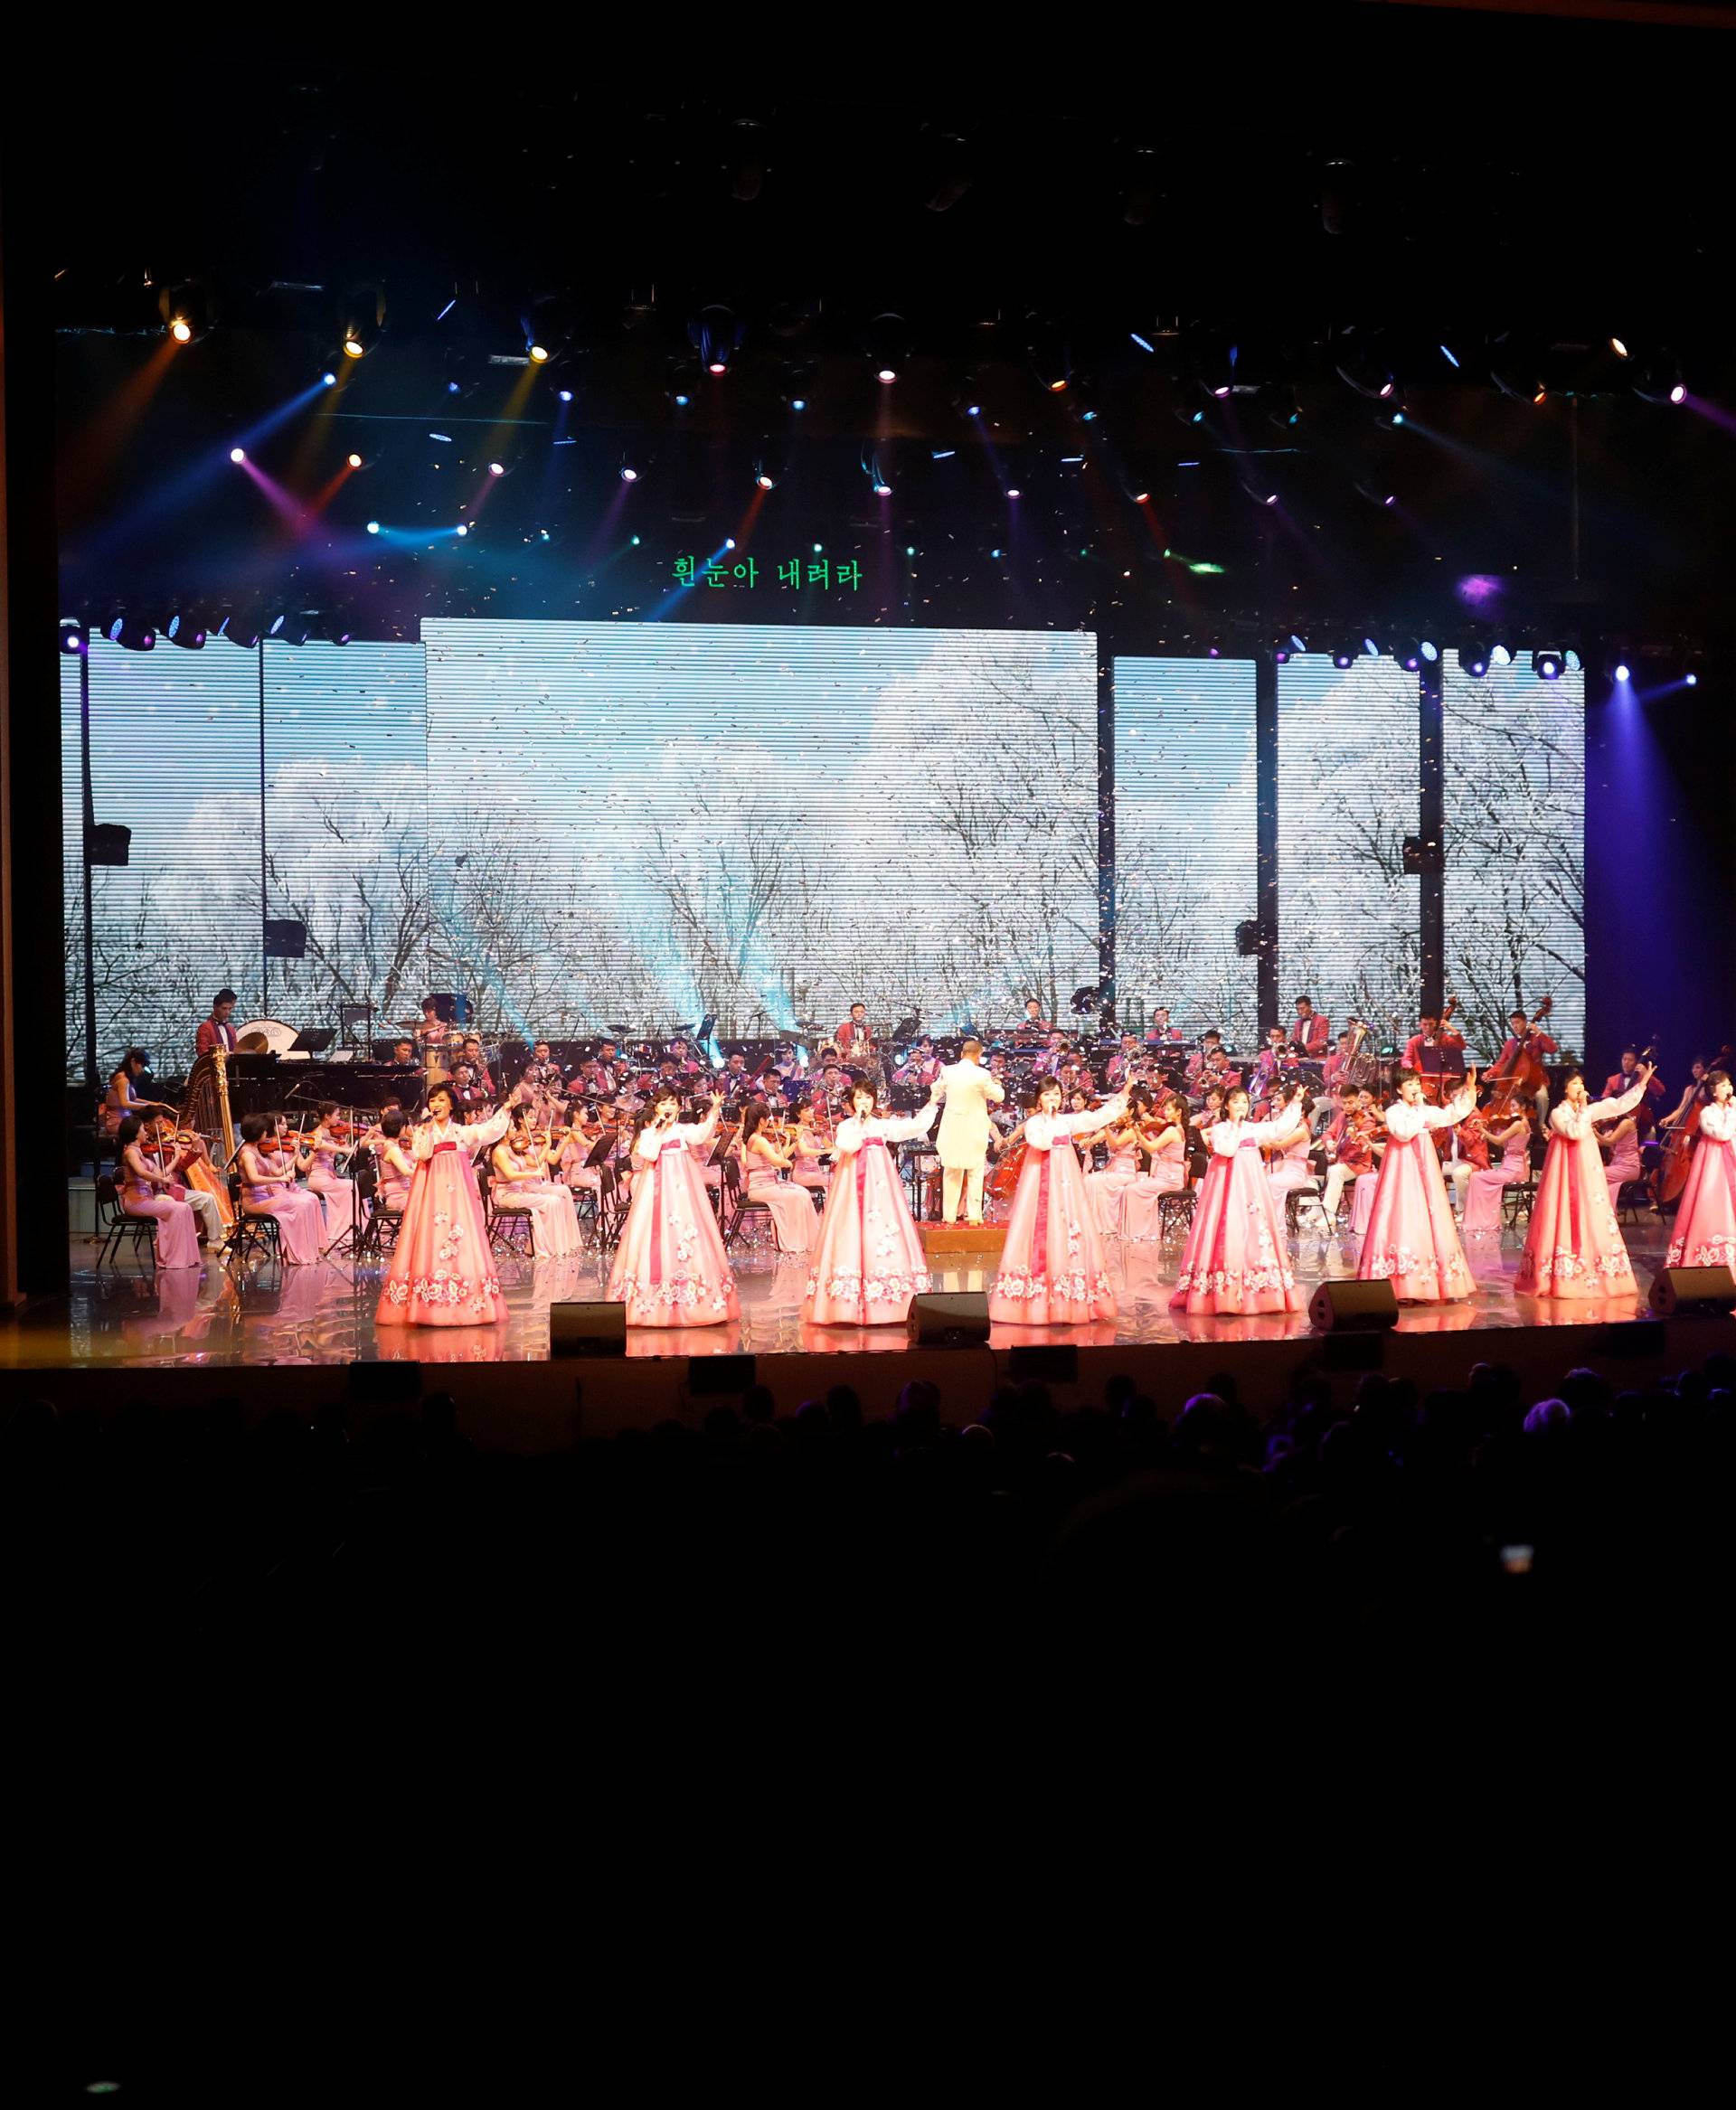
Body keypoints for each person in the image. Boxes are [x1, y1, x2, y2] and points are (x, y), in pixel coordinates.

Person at [376, 1081, 526, 1326]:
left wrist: (507, 1107)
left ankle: (468, 1303)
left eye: (441, 1100)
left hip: (457, 1195)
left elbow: (489, 1130)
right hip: (433, 1193)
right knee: (432, 1240)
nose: (436, 1105)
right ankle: (428, 1304)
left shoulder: (460, 1132)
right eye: (433, 1101)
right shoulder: (423, 1131)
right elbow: (421, 1154)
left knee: (461, 1238)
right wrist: (424, 1132)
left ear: (451, 1105)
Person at [987, 1081, 1127, 1323]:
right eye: (1048, 1095)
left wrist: (1123, 1095)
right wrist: (1052, 1122)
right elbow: (1039, 1142)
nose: (1053, 1098)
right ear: (1039, 1098)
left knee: (1067, 1226)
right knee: (1040, 1228)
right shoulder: (1034, 1123)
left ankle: (1070, 1295)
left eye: (1057, 1095)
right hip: (1040, 1182)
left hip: (1065, 1181)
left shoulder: (1067, 1121)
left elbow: (1096, 1119)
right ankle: (1036, 1296)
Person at [1513, 1062, 1654, 1300]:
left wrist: (1642, 1084)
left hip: (1588, 1173)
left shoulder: (1587, 1110)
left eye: (1581, 1082)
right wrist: (1585, 1111)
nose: (1580, 1087)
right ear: (1565, 1089)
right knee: (1565, 1216)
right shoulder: (1558, 1114)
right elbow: (1575, 1132)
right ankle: (1563, 1273)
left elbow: (1618, 1105)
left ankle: (1595, 1269)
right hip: (1566, 1176)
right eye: (1574, 1083)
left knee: (1592, 1215)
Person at [803, 1082, 937, 1325]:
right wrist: (859, 1124)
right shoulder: (846, 1126)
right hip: (852, 1186)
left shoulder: (882, 1125)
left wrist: (932, 1104)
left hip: (880, 1187)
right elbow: (848, 1145)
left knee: (882, 1231)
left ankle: (889, 1301)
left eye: (867, 1098)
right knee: (849, 1230)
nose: (864, 1102)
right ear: (851, 1102)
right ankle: (846, 1303)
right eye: (859, 1098)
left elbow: (914, 1127)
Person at [607, 1088, 738, 1327]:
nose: (669, 1107)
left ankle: (695, 1300)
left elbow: (701, 1136)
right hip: (655, 1188)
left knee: (687, 1232)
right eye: (664, 1103)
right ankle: (650, 1302)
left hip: (683, 1188)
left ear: (679, 1107)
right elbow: (648, 1152)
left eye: (673, 1103)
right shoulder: (648, 1133)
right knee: (653, 1235)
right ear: (656, 1107)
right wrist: (658, 1127)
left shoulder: (682, 1130)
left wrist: (715, 1109)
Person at [1170, 1086, 1304, 1315]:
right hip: (1227, 1186)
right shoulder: (1220, 1129)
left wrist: (1296, 1104)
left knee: (1254, 1229)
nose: (1241, 1106)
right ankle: (1223, 1292)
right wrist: (1237, 1127)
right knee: (1227, 1228)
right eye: (1236, 1102)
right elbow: (1227, 1149)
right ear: (1226, 1106)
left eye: (1244, 1102)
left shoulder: (1254, 1128)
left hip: (1250, 1185)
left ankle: (1260, 1290)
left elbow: (1278, 1129)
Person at [1354, 1068, 1479, 1302]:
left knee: (1430, 1212)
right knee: (1403, 1213)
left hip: (1425, 1165)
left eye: (1416, 1083)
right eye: (1410, 1084)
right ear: (1400, 1089)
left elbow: (1451, 1115)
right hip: (1402, 1166)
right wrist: (1420, 1111)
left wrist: (1468, 1090)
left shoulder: (1423, 1111)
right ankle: (1399, 1281)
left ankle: (1431, 1281)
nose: (1415, 1088)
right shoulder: (1394, 1112)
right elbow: (1403, 1133)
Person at [1665, 1069, 1736, 1272]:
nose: (1728, 1088)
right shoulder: (1707, 1113)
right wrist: (1732, 1113)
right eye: (1723, 1085)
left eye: (1729, 1084)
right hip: (1714, 1167)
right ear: (1714, 1091)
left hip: (1732, 1163)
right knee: (1713, 1206)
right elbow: (1721, 1134)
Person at [929, 1038, 1005, 1226]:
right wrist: (997, 1083)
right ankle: (974, 1215)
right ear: (978, 1055)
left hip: (953, 1126)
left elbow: (935, 1090)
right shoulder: (982, 1074)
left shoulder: (948, 1071)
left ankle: (949, 1215)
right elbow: (999, 1096)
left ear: (962, 1054)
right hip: (974, 1128)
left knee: (952, 1170)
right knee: (975, 1170)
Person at [733, 1098, 820, 1258]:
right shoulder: (758, 1140)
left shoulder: (756, 1138)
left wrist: (791, 1143)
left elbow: (778, 1156)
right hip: (761, 1187)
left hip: (768, 1183)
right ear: (761, 1120)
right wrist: (787, 1163)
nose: (769, 1123)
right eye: (768, 1119)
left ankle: (804, 1240)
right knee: (797, 1196)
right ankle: (794, 1241)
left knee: (801, 1193)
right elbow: (777, 1161)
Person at [491, 1107, 581, 1258]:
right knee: (552, 1201)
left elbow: (536, 1162)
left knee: (556, 1199)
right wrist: (533, 1173)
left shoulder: (513, 1148)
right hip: (508, 1194)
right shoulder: (500, 1151)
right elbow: (511, 1175)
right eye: (512, 1128)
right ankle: (545, 1248)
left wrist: (548, 1145)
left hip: (519, 1191)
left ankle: (556, 1245)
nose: (515, 1131)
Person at [114, 1115, 203, 1269]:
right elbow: (142, 1173)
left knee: (185, 1208)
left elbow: (161, 1173)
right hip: (135, 1201)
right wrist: (162, 1181)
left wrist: (175, 1157)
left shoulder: (140, 1152)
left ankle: (187, 1258)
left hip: (146, 1200)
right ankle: (173, 1259)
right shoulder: (130, 1152)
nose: (146, 1132)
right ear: (135, 1133)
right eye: (143, 1129)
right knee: (179, 1208)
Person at [237, 1113, 326, 1266]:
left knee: (306, 1203)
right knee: (300, 1205)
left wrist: (294, 1157)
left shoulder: (257, 1150)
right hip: (254, 1200)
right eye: (265, 1130)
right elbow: (254, 1178)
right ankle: (297, 1254)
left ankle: (306, 1251)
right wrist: (279, 1180)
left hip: (267, 1197)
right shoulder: (247, 1154)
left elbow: (278, 1171)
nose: (267, 1133)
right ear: (258, 1132)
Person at [1120, 1093, 1190, 1241]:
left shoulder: (1172, 1130)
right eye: (1165, 1108)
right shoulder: (1176, 1129)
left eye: (1169, 1109)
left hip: (1169, 1178)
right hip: (1168, 1175)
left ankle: (1141, 1231)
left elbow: (1152, 1148)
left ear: (1179, 1112)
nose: (1165, 1112)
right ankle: (1139, 1230)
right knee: (1131, 1188)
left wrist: (1138, 1132)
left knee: (1131, 1190)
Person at [1462, 1106, 1533, 1238]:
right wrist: (1494, 1129)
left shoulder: (1518, 1124)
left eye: (1513, 1105)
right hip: (1514, 1167)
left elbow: (1498, 1141)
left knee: (1476, 1177)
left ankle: (1482, 1219)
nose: (1510, 1109)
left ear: (1523, 1106)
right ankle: (1482, 1217)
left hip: (1512, 1169)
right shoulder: (1522, 1123)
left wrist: (1483, 1130)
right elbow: (1505, 1143)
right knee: (1477, 1177)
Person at [1084, 1087, 1145, 1236]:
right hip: (1113, 1168)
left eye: (1121, 1110)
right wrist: (1089, 1141)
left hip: (1126, 1172)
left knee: (1095, 1182)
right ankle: (1091, 1223)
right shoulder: (1117, 1127)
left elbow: (1115, 1144)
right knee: (1088, 1180)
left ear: (1130, 1112)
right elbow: (1098, 1138)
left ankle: (1105, 1224)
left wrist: (1106, 1129)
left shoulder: (1132, 1129)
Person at [305, 1102, 359, 1247]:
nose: (339, 1118)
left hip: (330, 1176)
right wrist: (343, 1149)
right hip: (318, 1177)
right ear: (327, 1116)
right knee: (349, 1186)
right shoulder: (317, 1133)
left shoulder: (334, 1132)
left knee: (353, 1185)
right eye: (337, 1115)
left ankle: (351, 1227)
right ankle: (339, 1230)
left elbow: (349, 1149)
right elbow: (321, 1144)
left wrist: (349, 1146)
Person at [99, 1049, 172, 1140]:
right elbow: (125, 1103)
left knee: (154, 1127)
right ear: (133, 1062)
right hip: (118, 1122)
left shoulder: (127, 1078)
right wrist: (147, 1106)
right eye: (142, 1065)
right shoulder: (123, 1079)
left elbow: (133, 1099)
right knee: (148, 1129)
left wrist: (154, 1103)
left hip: (126, 1120)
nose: (142, 1070)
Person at [194, 990, 241, 1060]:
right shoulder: (205, 1027)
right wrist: (222, 1057)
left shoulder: (231, 1028)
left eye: (230, 1009)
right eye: (224, 1008)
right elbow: (202, 1053)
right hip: (213, 1068)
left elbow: (236, 1050)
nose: (227, 1012)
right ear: (215, 1007)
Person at [1292, 995, 1330, 1059]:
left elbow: (1322, 1041)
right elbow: (1295, 1040)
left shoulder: (1322, 1020)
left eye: (1302, 1008)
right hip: (1300, 1059)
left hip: (1317, 1059)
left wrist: (1303, 1048)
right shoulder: (1297, 1023)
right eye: (1297, 1009)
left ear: (1310, 1006)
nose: (1300, 1012)